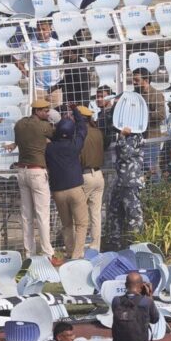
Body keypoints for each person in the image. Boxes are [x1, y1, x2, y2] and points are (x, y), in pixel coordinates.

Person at [8, 99, 56, 262]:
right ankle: (48, 253)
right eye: (45, 110)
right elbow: (55, 135)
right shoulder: (44, 126)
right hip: (37, 171)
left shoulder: (20, 124)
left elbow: (20, 140)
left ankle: (29, 254)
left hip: (22, 171)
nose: (47, 113)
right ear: (37, 111)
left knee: (26, 215)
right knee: (42, 214)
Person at [46, 106, 89, 260]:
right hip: (75, 188)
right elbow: (83, 129)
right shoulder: (74, 146)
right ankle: (77, 255)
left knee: (67, 224)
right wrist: (76, 112)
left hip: (58, 191)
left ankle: (70, 251)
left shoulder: (49, 148)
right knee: (82, 223)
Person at [111, 271, 160, 341]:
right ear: (142, 285)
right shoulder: (146, 302)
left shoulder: (116, 301)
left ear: (125, 285)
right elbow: (155, 319)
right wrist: (149, 295)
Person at [106, 126, 144, 251]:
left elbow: (125, 153)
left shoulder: (135, 136)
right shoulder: (126, 136)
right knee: (115, 213)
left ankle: (136, 245)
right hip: (121, 181)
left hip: (130, 183)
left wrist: (122, 137)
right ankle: (115, 243)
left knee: (133, 215)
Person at [17, 21, 62, 108]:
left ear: (50, 30)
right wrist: (26, 72)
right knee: (38, 116)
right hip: (38, 88)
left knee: (57, 116)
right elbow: (15, 58)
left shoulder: (57, 44)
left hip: (55, 88)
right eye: (38, 29)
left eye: (44, 29)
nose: (41, 32)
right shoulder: (30, 45)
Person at [78, 105, 104, 252]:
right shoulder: (97, 132)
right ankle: (95, 247)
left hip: (84, 175)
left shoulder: (79, 134)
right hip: (98, 175)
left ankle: (79, 249)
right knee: (96, 214)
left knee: (80, 215)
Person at [131, 69, 165, 181]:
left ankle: (157, 194)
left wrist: (143, 115)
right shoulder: (134, 95)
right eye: (133, 80)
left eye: (137, 80)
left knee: (151, 168)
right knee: (139, 169)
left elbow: (161, 115)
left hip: (151, 138)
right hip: (136, 138)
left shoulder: (156, 94)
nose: (134, 82)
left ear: (146, 80)